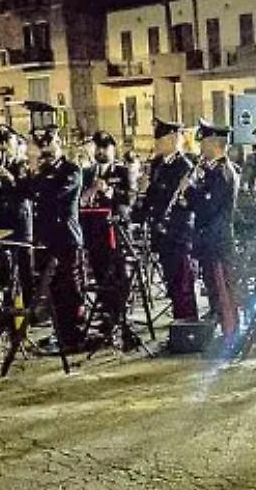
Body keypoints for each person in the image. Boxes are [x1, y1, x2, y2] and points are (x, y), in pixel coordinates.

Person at [30, 124, 87, 351]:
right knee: (52, 288)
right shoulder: (43, 172)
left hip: (66, 236)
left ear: (59, 145)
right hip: (47, 236)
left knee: (70, 288)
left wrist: (41, 179)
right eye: (44, 147)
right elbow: (29, 190)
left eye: (51, 145)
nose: (48, 151)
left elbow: (54, 194)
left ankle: (74, 336)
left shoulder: (71, 169)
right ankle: (61, 333)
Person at [81, 130, 135, 339]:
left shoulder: (121, 171)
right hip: (95, 233)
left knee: (119, 275)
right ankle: (105, 313)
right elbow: (82, 201)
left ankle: (119, 316)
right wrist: (92, 190)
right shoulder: (88, 173)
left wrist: (111, 193)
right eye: (98, 147)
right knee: (100, 273)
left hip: (116, 231)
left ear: (113, 149)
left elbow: (130, 198)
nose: (101, 151)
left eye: (105, 147)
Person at [141, 119, 197, 319]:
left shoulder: (184, 166)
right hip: (161, 230)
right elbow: (152, 195)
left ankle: (187, 323)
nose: (157, 143)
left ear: (174, 139)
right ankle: (178, 320)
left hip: (177, 231)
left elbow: (179, 200)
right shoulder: (157, 164)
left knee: (182, 281)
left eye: (161, 139)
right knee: (170, 280)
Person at [192, 121, 240, 337]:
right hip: (209, 239)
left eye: (203, 141)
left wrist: (189, 192)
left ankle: (231, 333)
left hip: (219, 240)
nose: (201, 146)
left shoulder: (222, 172)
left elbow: (209, 206)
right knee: (213, 286)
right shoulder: (210, 170)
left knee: (224, 289)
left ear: (214, 143)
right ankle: (221, 325)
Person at [0, 125, 35, 309]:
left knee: (24, 265)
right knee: (3, 265)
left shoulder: (22, 166)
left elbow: (29, 192)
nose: (3, 148)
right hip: (1, 220)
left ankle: (29, 304)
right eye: (0, 144)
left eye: (6, 143)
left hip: (20, 221)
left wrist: (12, 180)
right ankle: (8, 304)